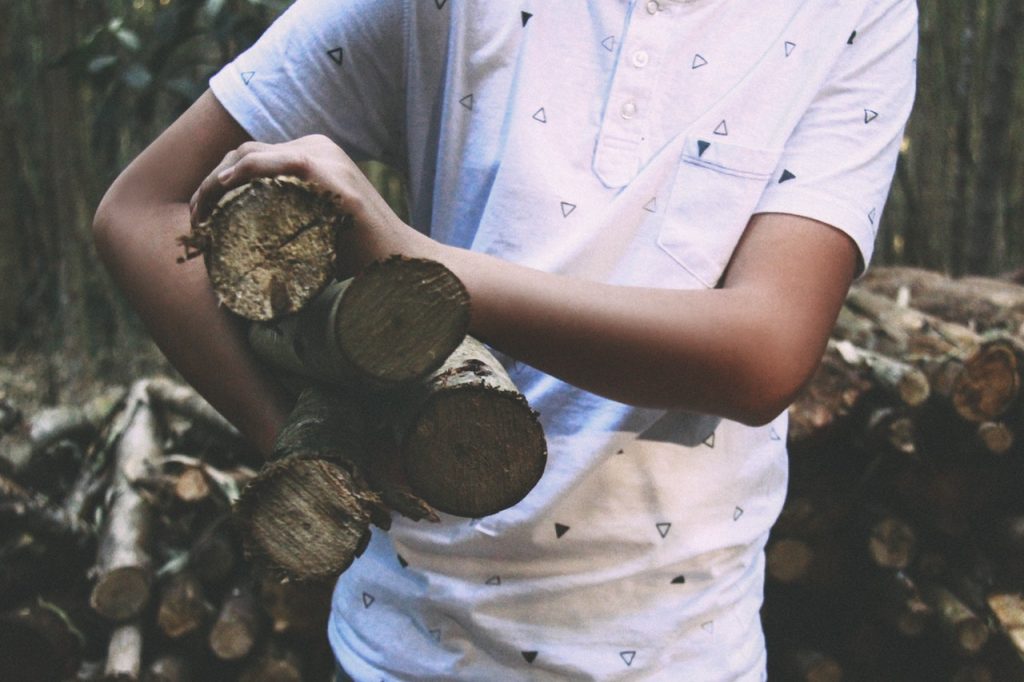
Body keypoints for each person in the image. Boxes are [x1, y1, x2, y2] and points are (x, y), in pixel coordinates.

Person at [93, 0, 918, 679]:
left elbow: (764, 354)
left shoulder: (852, 14)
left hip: (690, 652)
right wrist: (307, 447)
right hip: (406, 651)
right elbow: (140, 213)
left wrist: (418, 263)